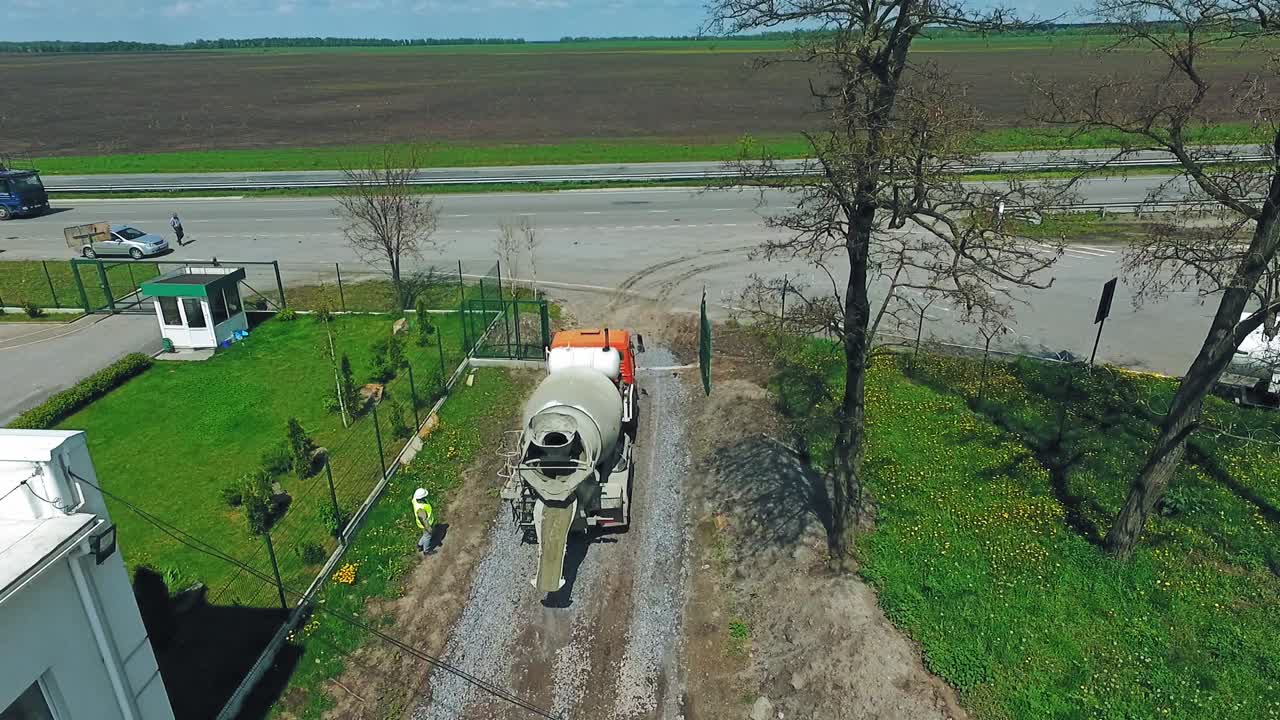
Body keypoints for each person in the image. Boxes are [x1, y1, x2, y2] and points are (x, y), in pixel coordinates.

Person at [411, 487, 435, 555]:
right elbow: (423, 520)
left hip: (422, 524)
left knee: (425, 535)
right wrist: (429, 528)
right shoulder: (421, 508)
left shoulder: (415, 500)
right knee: (428, 536)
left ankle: (419, 545)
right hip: (426, 524)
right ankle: (426, 550)